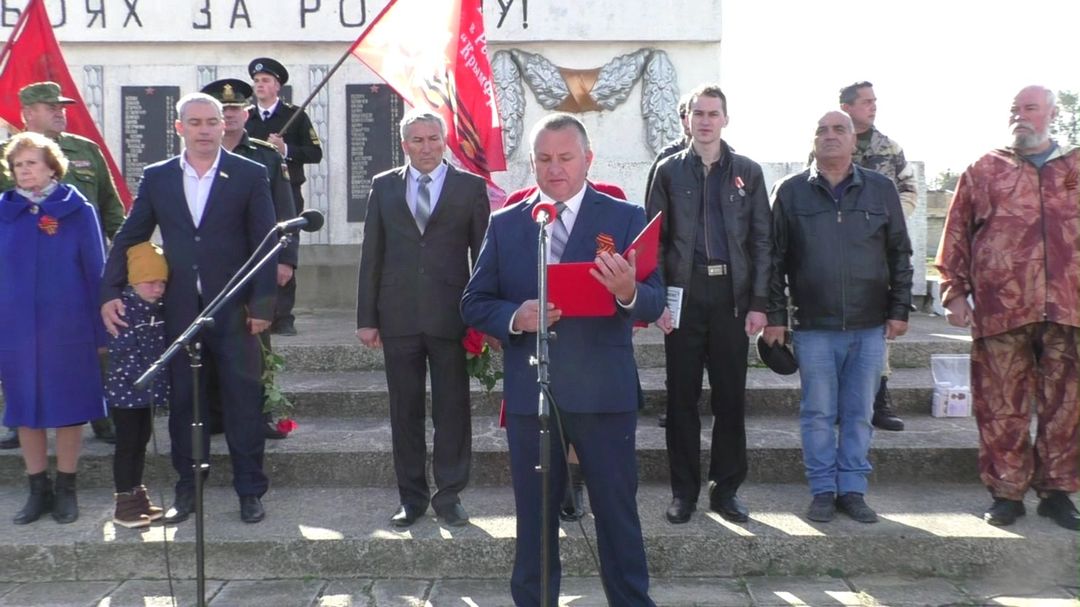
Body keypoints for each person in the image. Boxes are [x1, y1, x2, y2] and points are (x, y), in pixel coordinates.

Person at [462, 112, 664, 606]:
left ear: (588, 159)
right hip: (533, 394)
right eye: (544, 159)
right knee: (534, 517)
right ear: (531, 162)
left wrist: (626, 292)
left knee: (617, 512)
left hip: (602, 389)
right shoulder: (510, 222)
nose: (555, 169)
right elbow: (474, 301)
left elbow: (656, 299)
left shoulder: (624, 217)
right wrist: (516, 316)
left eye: (566, 158)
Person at [101, 92, 277, 525]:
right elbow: (132, 234)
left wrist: (264, 303)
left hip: (235, 310)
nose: (204, 130)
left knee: (242, 401)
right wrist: (108, 290)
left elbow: (266, 243)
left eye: (211, 121)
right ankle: (187, 490)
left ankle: (250, 490)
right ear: (179, 128)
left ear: (224, 126)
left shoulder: (249, 174)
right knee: (184, 403)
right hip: (179, 313)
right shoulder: (159, 177)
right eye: (194, 122)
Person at [935, 85, 1080, 531]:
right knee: (1000, 406)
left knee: (1067, 405)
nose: (1020, 116)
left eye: (1030, 108)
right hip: (1002, 311)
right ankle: (1005, 494)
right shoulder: (984, 169)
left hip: (1068, 309)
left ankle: (1058, 493)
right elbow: (956, 233)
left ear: (1051, 115)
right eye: (1014, 109)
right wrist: (954, 293)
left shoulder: (1076, 166)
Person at [763, 110, 913, 524]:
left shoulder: (881, 190)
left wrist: (899, 309)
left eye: (839, 130)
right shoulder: (789, 192)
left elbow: (900, 252)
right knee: (817, 412)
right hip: (813, 326)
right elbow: (773, 260)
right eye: (822, 130)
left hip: (868, 325)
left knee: (860, 413)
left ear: (853, 140)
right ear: (812, 140)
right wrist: (776, 316)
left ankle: (853, 489)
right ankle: (823, 490)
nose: (830, 136)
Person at [356, 108, 489, 528]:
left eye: (433, 138)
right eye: (417, 140)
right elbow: (371, 254)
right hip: (397, 317)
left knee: (452, 409)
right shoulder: (384, 187)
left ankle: (449, 495)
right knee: (404, 410)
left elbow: (483, 256)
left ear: (445, 140)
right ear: (404, 144)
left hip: (452, 316)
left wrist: (483, 314)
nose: (426, 147)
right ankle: (410, 498)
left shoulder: (469, 188)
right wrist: (367, 317)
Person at [646, 84, 772, 525]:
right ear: (687, 120)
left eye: (713, 113)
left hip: (731, 299)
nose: (704, 121)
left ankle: (727, 490)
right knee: (681, 400)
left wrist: (760, 303)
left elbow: (761, 241)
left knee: (730, 399)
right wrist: (657, 299)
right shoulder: (667, 171)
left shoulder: (748, 173)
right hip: (684, 295)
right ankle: (684, 492)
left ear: (725, 119)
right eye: (697, 113)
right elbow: (654, 242)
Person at [0, 81, 126, 448]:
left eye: (61, 105)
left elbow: (110, 206)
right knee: (20, 348)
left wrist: (123, 253)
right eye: (50, 106)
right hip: (21, 274)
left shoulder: (85, 150)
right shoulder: (6, 156)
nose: (60, 110)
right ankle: (19, 419)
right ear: (28, 114)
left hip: (79, 272)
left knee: (92, 344)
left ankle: (103, 417)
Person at [0, 132, 107, 524]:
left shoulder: (76, 210)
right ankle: (36, 488)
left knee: (68, 407)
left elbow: (96, 271)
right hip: (14, 330)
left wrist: (101, 330)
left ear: (51, 167)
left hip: (68, 326)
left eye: (31, 163)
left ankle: (66, 487)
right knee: (24, 408)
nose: (23, 171)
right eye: (17, 165)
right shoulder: (3, 210)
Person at [201, 78, 298, 440]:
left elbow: (285, 210)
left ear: (247, 113)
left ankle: (260, 413)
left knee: (258, 341)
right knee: (209, 336)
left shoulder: (265, 155)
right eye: (222, 110)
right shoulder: (196, 154)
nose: (230, 115)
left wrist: (286, 259)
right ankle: (214, 415)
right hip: (210, 265)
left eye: (236, 109)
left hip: (256, 262)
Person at [838, 81, 918, 432]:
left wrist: (886, 216)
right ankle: (844, 402)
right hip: (840, 253)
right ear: (847, 106)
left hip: (878, 252)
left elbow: (908, 189)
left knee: (879, 328)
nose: (873, 107)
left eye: (874, 102)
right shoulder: (831, 141)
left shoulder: (890, 148)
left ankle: (879, 399)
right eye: (866, 102)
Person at [245, 57, 323, 337]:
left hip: (286, 192)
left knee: (285, 251)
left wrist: (285, 148)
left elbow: (315, 153)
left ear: (277, 86)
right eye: (256, 81)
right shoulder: (247, 118)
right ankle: (256, 309)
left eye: (265, 81)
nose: (260, 85)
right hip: (252, 194)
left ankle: (283, 316)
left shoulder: (294, 116)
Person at [105, 242, 170, 528]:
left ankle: (138, 496)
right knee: (127, 445)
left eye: (162, 283)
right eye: (150, 283)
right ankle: (123, 503)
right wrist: (146, 379)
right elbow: (124, 351)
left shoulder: (158, 308)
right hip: (126, 392)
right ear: (134, 281)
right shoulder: (124, 308)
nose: (157, 289)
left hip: (147, 393)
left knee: (142, 442)